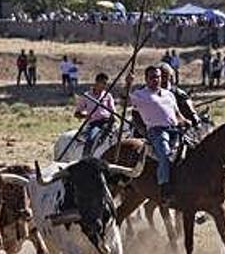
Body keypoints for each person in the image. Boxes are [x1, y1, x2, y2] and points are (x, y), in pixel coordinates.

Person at [127, 65, 189, 201]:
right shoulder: (140, 95)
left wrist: (185, 121)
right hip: (157, 131)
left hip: (176, 130)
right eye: (152, 77)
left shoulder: (169, 94)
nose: (156, 80)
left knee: (194, 151)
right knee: (165, 155)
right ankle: (165, 188)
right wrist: (128, 85)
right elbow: (125, 100)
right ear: (146, 79)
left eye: (158, 77)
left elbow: (177, 114)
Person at [74, 72, 115, 157]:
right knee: (92, 138)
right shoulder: (87, 96)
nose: (105, 86)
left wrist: (113, 117)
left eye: (106, 84)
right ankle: (86, 157)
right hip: (95, 123)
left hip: (108, 122)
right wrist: (86, 116)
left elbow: (113, 111)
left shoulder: (108, 96)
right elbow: (77, 113)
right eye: (103, 83)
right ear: (97, 82)